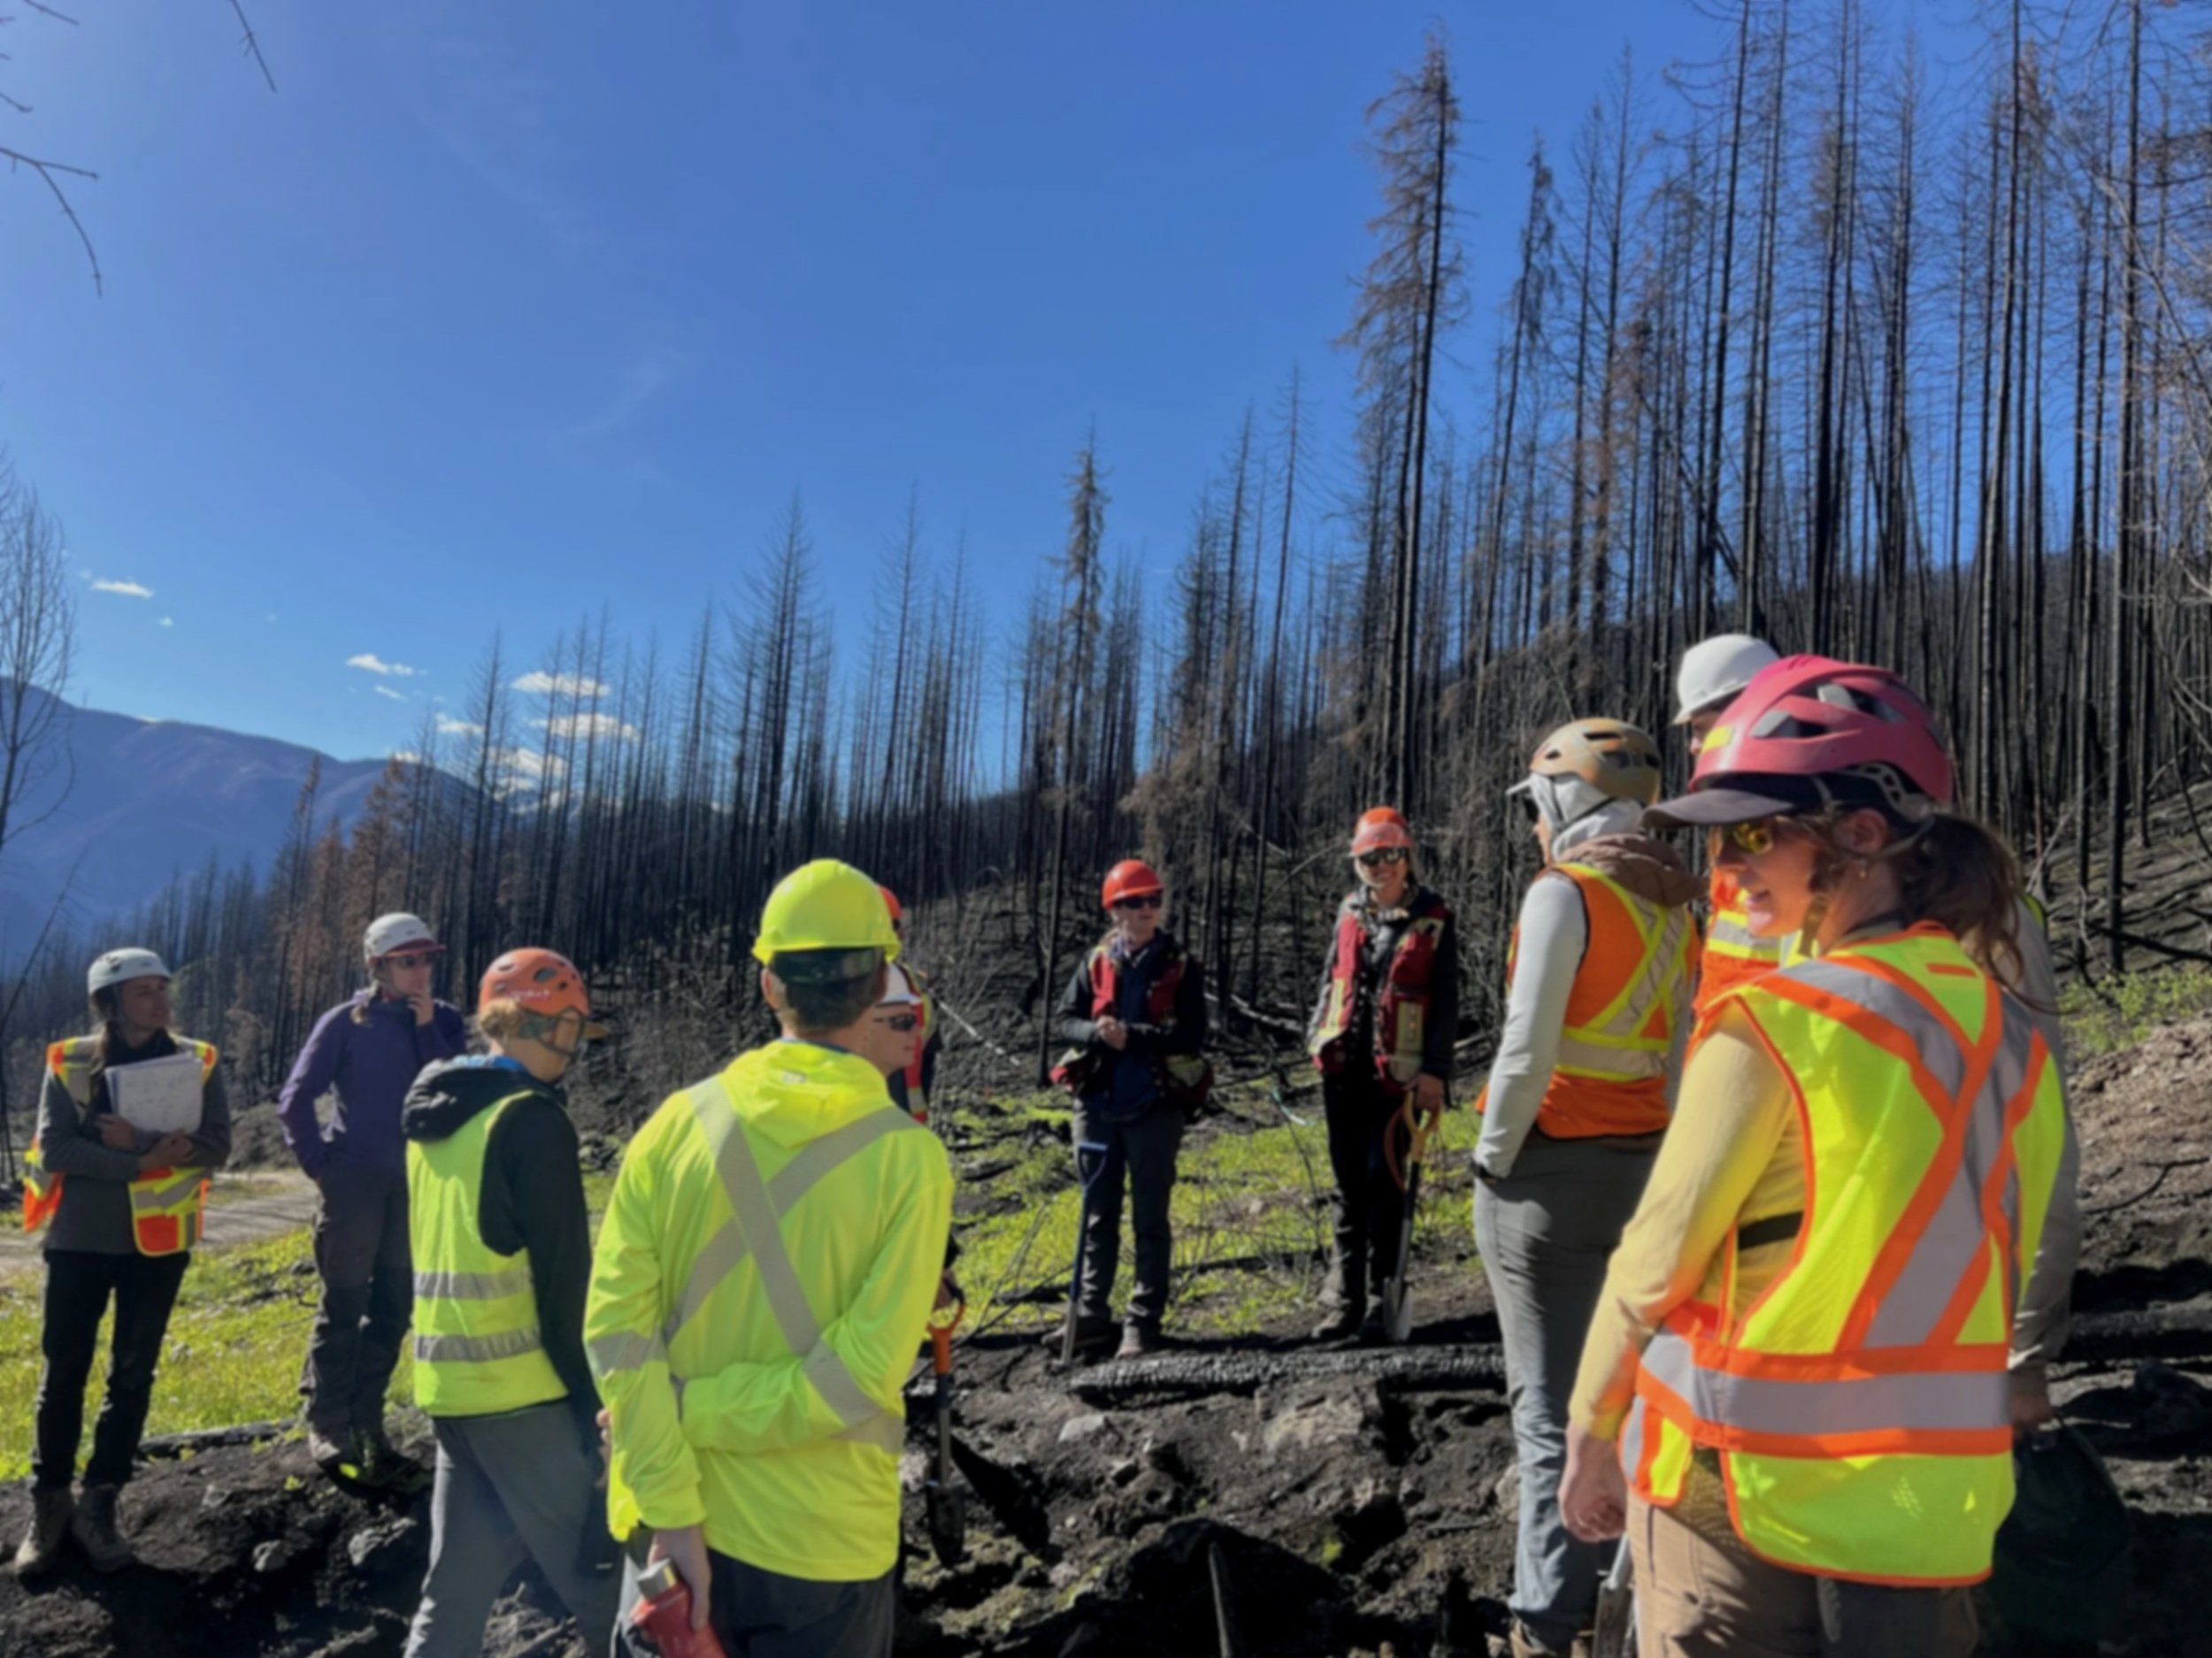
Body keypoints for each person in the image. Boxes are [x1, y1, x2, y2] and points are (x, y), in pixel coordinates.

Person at [1558, 656, 2076, 1658]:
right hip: (1927, 1508)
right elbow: (2023, 1221)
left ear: (1862, 835)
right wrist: (2029, 1361)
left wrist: (1588, 1427)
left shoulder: (1779, 1020)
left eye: (1755, 831)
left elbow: (1650, 1264)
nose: (1730, 865)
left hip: (1738, 1495)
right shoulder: (2002, 1022)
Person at [587, 860, 952, 1658]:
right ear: (880, 983)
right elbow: (860, 1377)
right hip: (821, 1552)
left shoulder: (671, 1127)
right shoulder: (909, 1161)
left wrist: (676, 1487)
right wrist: (701, 1409)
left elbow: (616, 1334)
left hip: (664, 1541)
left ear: (767, 986)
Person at [1470, 721, 1699, 1658]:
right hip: (1643, 1167)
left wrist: (1490, 1154)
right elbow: (1680, 1051)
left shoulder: (1565, 893)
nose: (1532, 827)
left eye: (1537, 805)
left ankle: (1546, 1623)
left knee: (1548, 1411)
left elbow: (1525, 1052)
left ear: (1567, 799)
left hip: (1546, 1177)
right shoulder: (1675, 905)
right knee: (1630, 1397)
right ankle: (1631, 1592)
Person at [398, 948, 619, 1658]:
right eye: (571, 1029)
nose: (576, 1049)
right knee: (606, 1588)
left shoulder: (436, 1113)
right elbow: (565, 1286)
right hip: (525, 1393)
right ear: (529, 1021)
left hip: (451, 1390)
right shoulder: (530, 1121)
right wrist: (595, 1402)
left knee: (454, 1594)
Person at [14, 948, 231, 1575]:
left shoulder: (199, 1060)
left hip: (159, 1246)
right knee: (63, 1375)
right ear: (109, 1003)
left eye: (163, 989)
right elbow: (56, 1147)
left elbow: (218, 1143)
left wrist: (132, 1143)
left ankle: (100, 1502)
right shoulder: (72, 1062)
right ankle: (49, 1504)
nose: (162, 1002)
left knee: (132, 1378)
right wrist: (143, 1161)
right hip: (80, 1241)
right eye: (144, 993)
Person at [278, 912, 469, 1483]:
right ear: (378, 966)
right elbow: (295, 1098)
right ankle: (328, 1424)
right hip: (355, 1182)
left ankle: (369, 1423)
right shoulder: (345, 1023)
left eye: (426, 960)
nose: (420, 971)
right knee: (343, 1303)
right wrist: (323, 1168)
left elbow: (454, 1091)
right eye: (407, 961)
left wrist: (428, 1028)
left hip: (418, 1187)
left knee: (392, 1306)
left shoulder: (447, 1022)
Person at [1304, 809, 1457, 1346]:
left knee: (1385, 1183)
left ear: (1406, 856)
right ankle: (1341, 1299)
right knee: (1347, 1187)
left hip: (1401, 1074)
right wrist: (1314, 1036)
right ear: (1358, 863)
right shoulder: (1349, 912)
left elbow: (1445, 1004)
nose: (1381, 866)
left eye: (1390, 855)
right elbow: (1331, 979)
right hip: (1344, 1070)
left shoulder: (1434, 916)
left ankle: (1380, 1297)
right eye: (1370, 858)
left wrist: (1436, 1072)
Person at [1050, 858, 1212, 1360]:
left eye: (1154, 900)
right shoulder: (1095, 960)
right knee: (1097, 1214)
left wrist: (1133, 1037)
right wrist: (1095, 1034)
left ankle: (1143, 1322)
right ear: (1115, 910)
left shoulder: (1180, 963)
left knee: (1150, 1217)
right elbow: (1063, 1019)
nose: (1148, 910)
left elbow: (1192, 1034)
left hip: (1156, 1105)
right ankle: (1092, 1315)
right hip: (1097, 1104)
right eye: (1135, 902)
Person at [1674, 634, 1786, 1015]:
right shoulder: (1731, 824)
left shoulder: (1799, 826)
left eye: (1702, 728)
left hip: (1777, 1050)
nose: (1693, 745)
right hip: (1730, 1037)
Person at [878, 886, 944, 1124]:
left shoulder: (914, 981)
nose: (903, 935)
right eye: (896, 926)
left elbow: (927, 1055)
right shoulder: (910, 982)